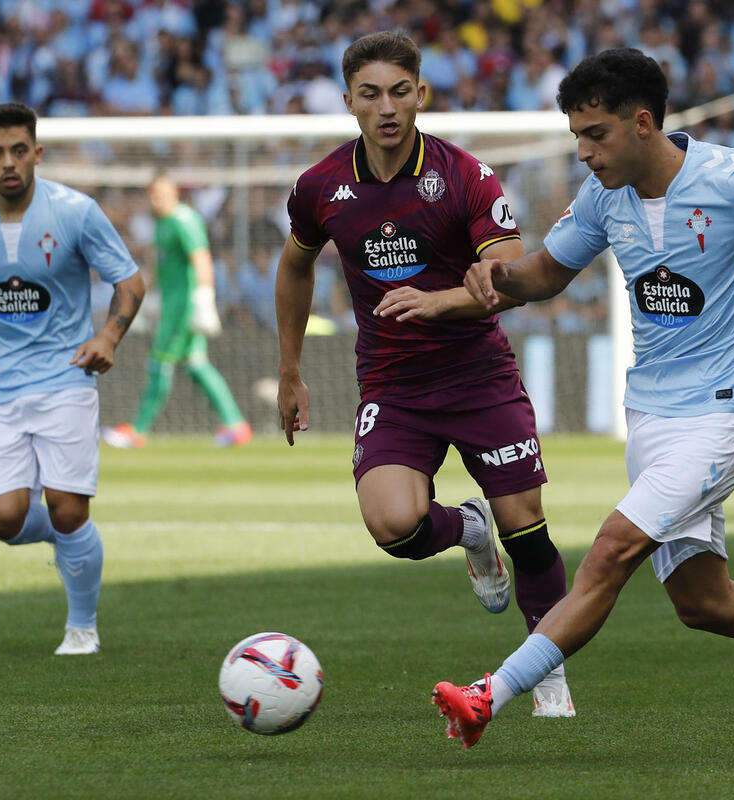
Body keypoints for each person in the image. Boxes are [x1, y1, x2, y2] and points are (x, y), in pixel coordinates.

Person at [431, 48, 734, 759]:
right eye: (576, 135)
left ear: (641, 123)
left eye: (594, 134)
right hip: (652, 424)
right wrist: (497, 276)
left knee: (610, 551)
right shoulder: (605, 197)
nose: (583, 152)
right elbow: (545, 273)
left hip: (717, 421)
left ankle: (489, 697)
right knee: (705, 604)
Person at [276, 31, 575, 716]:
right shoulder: (321, 187)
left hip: (479, 378)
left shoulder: (467, 177)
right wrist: (290, 371)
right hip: (394, 386)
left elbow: (512, 275)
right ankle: (468, 529)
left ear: (421, 94)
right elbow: (294, 266)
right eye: (372, 93)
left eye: (401, 91)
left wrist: (445, 299)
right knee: (394, 528)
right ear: (349, 100)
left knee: (527, 532)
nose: (387, 107)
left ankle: (546, 670)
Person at [0, 102, 145, 655]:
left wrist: (108, 338)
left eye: (19, 150)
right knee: (3, 517)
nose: (8, 162)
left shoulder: (75, 211)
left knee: (69, 508)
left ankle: (82, 627)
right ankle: (70, 543)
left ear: (37, 153)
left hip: (65, 379)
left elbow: (130, 282)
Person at [102, 176, 252, 448]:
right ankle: (236, 424)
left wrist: (204, 299)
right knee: (196, 365)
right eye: (152, 193)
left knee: (159, 363)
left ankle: (138, 430)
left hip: (183, 308)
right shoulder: (161, 224)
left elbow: (201, 258)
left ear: (174, 193)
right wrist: (146, 299)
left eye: (161, 193)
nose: (155, 198)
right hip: (170, 305)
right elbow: (158, 266)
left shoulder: (184, 220)